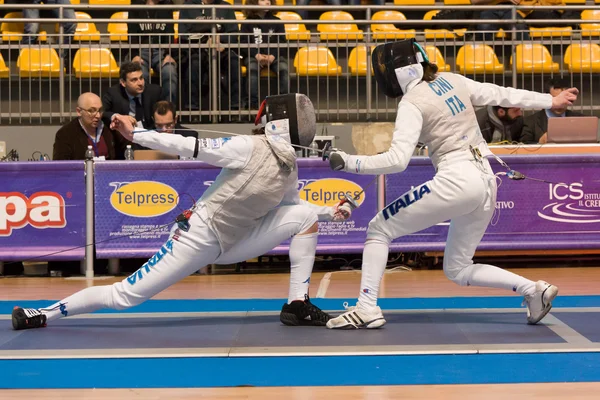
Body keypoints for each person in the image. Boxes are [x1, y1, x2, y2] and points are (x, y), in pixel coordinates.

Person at [12, 94, 356, 331]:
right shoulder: (247, 147)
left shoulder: (289, 168)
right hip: (199, 237)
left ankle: (296, 304)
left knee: (306, 217)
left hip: (235, 243)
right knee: (125, 296)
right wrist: (140, 135)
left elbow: (292, 209)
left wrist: (329, 212)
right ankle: (43, 313)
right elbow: (187, 145)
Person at [324, 39, 577, 329]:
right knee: (458, 267)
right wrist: (551, 101)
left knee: (379, 228)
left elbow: (396, 161)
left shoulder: (411, 103)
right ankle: (534, 290)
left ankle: (366, 307)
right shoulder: (452, 80)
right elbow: (502, 93)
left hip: (457, 179)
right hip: (486, 181)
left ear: (397, 72)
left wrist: (347, 161)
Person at [240, 0, 289, 110]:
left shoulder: (277, 21)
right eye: (263, 0)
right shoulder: (247, 22)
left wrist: (272, 56)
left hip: (274, 56)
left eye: (269, 0)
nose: (267, 2)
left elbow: (282, 42)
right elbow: (243, 43)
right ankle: (252, 106)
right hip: (254, 56)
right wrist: (256, 55)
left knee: (284, 69)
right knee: (252, 70)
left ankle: (283, 105)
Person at [128, 0, 178, 103]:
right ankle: (144, 112)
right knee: (141, 75)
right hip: (141, 50)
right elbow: (131, 31)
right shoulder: (136, 4)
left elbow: (170, 31)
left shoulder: (167, 5)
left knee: (170, 72)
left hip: (161, 51)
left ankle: (168, 110)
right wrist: (135, 55)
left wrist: (169, 54)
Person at [53, 92, 129, 160]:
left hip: (109, 174)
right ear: (79, 112)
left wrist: (125, 129)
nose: (98, 115)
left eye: (100, 110)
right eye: (91, 111)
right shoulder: (65, 134)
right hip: (81, 174)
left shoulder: (111, 128)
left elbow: (128, 153)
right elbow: (60, 166)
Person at [102, 62, 163, 134]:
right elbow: (102, 112)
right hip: (124, 136)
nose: (140, 83)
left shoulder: (154, 91)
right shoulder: (113, 93)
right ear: (123, 82)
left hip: (149, 134)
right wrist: (118, 116)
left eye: (141, 78)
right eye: (134, 80)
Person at [520, 78, 584, 144]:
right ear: (547, 98)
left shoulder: (582, 120)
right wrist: (539, 144)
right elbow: (522, 148)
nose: (560, 104)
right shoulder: (530, 122)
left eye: (564, 99)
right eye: (556, 99)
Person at [132, 101, 199, 152]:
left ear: (175, 119)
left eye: (168, 125)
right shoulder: (143, 138)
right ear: (153, 120)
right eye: (159, 125)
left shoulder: (190, 136)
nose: (164, 129)